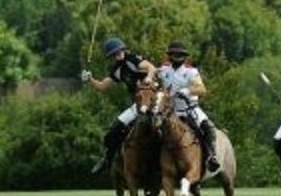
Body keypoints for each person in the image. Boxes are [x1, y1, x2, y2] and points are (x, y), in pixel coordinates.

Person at [83, 38, 158, 174]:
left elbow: (151, 68)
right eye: (114, 54)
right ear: (111, 56)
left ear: (123, 49)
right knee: (114, 129)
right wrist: (90, 80)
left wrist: (149, 77)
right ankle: (107, 159)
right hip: (138, 104)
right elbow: (102, 86)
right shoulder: (117, 70)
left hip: (154, 101)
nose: (118, 54)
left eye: (119, 51)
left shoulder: (133, 59)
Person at [157, 41, 220, 174]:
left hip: (190, 109)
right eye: (174, 54)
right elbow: (152, 78)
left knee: (207, 127)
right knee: (153, 129)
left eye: (180, 54)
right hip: (170, 111)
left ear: (185, 56)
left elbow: (202, 89)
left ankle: (211, 156)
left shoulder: (191, 72)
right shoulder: (163, 71)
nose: (177, 56)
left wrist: (187, 90)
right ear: (170, 55)